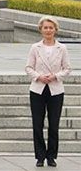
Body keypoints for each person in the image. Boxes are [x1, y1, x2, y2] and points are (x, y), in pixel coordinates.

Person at [26, 16, 71, 168]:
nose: (48, 30)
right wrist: (38, 76)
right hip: (38, 89)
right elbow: (28, 68)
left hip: (55, 90)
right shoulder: (35, 47)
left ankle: (51, 156)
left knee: (54, 124)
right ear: (41, 30)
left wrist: (55, 76)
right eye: (45, 27)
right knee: (37, 124)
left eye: (51, 28)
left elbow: (67, 69)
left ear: (55, 30)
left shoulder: (62, 48)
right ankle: (40, 156)